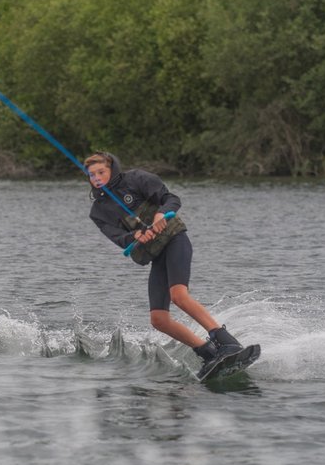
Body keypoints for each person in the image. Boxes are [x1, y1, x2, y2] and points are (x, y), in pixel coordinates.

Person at [83, 152, 243, 378]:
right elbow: (117, 236)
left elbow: (171, 199)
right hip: (157, 255)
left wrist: (160, 214)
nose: (97, 178)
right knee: (158, 319)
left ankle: (227, 342)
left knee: (179, 295)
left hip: (175, 240)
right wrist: (135, 236)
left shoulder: (137, 179)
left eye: (101, 172)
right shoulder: (98, 211)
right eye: (92, 175)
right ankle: (207, 353)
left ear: (112, 170)